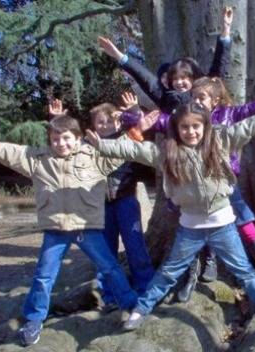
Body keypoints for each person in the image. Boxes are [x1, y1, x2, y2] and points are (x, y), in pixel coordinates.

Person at [86, 95, 255, 343]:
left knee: (245, 273)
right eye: (185, 127)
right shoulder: (167, 154)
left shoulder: (221, 141)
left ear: (205, 127)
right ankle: (140, 310)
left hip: (223, 225)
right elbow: (134, 149)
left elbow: (249, 125)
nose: (191, 132)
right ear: (177, 129)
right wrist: (102, 145)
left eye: (196, 126)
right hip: (189, 228)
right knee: (169, 272)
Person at [0, 115, 138, 346]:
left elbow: (120, 152)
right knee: (44, 276)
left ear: (78, 138)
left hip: (86, 227)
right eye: (55, 139)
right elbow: (13, 152)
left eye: (66, 138)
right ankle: (34, 319)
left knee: (110, 267)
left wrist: (134, 133)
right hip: (55, 229)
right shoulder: (38, 159)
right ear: (49, 141)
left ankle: (132, 305)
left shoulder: (93, 155)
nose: (61, 143)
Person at [129, 77, 255, 301]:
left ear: (215, 100)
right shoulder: (184, 118)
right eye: (194, 97)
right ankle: (191, 279)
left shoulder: (228, 115)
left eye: (201, 97)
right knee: (188, 234)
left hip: (224, 185)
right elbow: (158, 122)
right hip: (189, 188)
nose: (196, 100)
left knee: (245, 222)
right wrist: (131, 118)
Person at [86, 95, 156, 310]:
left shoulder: (126, 141)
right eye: (100, 122)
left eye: (109, 121)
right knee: (106, 251)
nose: (105, 125)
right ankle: (109, 294)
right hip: (101, 207)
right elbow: (64, 143)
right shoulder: (89, 146)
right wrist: (58, 117)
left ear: (118, 122)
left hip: (126, 201)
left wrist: (133, 111)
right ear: (93, 125)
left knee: (135, 246)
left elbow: (141, 133)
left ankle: (145, 288)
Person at [97, 6, 234, 113]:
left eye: (184, 78)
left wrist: (226, 32)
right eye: (174, 79)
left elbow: (219, 67)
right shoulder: (167, 99)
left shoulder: (205, 93)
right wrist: (119, 56)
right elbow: (145, 78)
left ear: (194, 79)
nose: (179, 82)